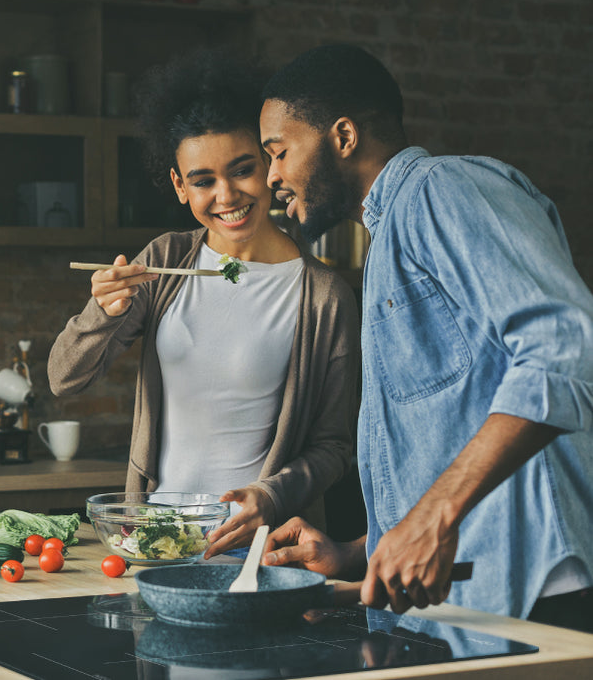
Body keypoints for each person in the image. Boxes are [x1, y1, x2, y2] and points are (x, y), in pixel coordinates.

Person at [258, 43, 593, 631]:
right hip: (472, 600)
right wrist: (356, 555)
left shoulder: (440, 189)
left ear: (343, 136)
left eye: (279, 152)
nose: (271, 177)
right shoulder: (386, 238)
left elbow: (564, 347)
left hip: (541, 595)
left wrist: (429, 520)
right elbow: (448, 440)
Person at [48, 47, 361, 553]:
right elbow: (65, 378)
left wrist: (270, 495)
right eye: (203, 181)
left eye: (242, 170)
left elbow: (334, 448)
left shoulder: (323, 296)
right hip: (154, 536)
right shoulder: (163, 262)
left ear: (268, 165)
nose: (227, 195)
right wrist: (103, 314)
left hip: (257, 543)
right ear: (179, 186)